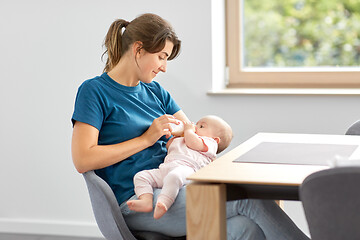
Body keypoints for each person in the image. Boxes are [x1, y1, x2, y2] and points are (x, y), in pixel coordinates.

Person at [71, 13, 310, 239]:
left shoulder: (155, 91)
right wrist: (146, 139)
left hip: (177, 186)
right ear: (138, 49)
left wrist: (179, 131)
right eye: (162, 57)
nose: (164, 67)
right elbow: (83, 159)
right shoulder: (94, 92)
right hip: (137, 198)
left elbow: (189, 128)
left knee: (246, 228)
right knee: (248, 200)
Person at [127, 115, 233, 219]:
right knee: (141, 176)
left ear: (215, 139)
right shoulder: (187, 138)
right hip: (165, 169)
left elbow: (193, 143)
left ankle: (164, 201)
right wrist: (174, 139)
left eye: (201, 126)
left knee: (174, 176)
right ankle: (146, 200)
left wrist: (188, 131)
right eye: (197, 124)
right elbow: (170, 147)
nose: (195, 126)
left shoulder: (210, 144)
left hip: (186, 171)